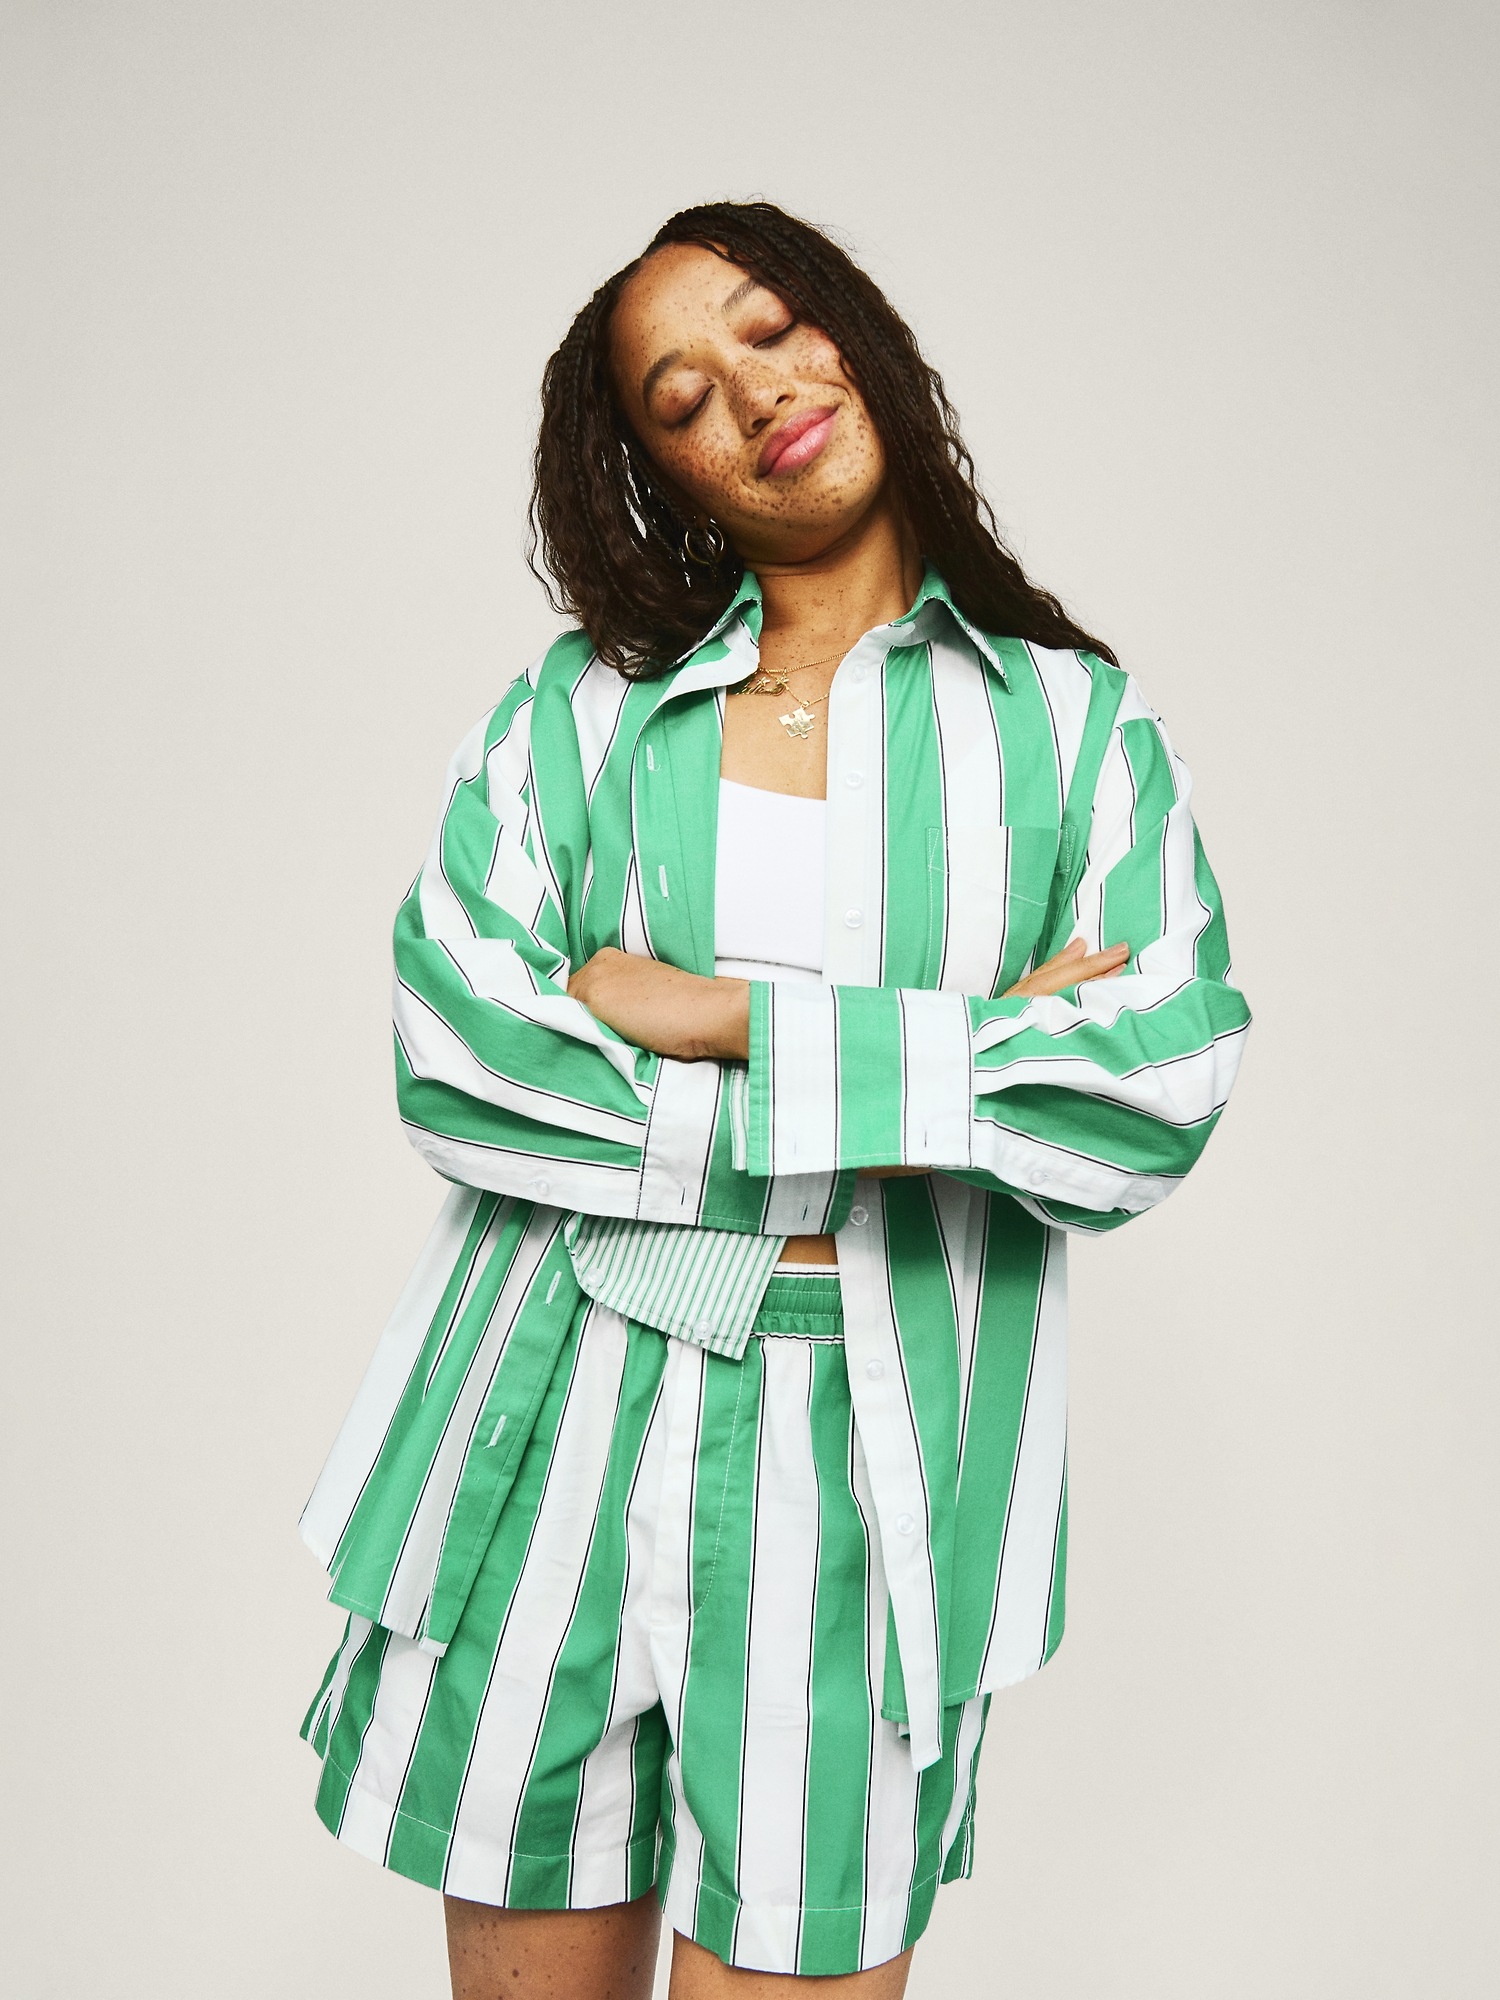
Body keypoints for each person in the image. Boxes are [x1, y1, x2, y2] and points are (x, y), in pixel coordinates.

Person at [299, 201, 1250, 1999]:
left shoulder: (1075, 730)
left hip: (868, 1462)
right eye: (681, 397)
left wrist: (721, 1017)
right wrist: (953, 1053)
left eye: (768, 325)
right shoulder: (577, 717)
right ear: (660, 476)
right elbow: (460, 1056)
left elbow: (1153, 1088)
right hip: (547, 1410)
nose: (751, 392)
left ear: (851, 326)